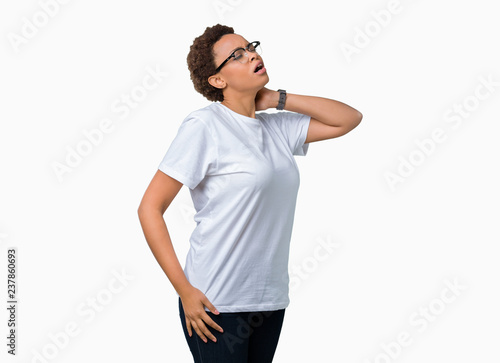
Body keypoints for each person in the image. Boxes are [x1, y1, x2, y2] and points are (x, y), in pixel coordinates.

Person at [137, 24, 362, 363]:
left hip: (268, 299)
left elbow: (348, 119)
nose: (253, 55)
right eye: (237, 56)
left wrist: (276, 99)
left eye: (250, 47)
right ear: (217, 80)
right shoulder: (204, 126)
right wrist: (185, 291)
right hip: (215, 301)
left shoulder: (277, 128)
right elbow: (150, 208)